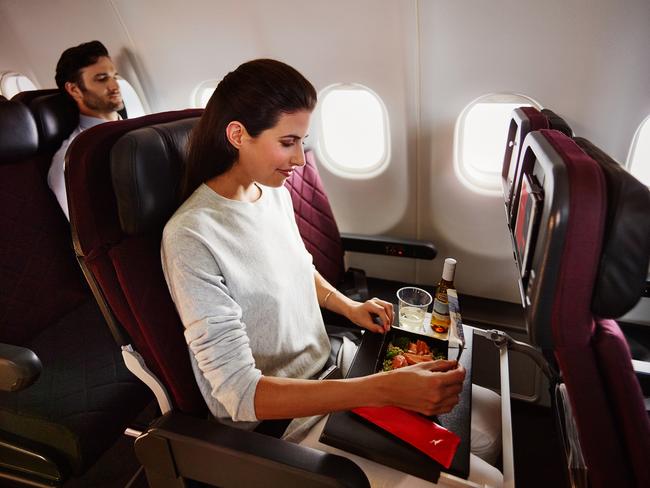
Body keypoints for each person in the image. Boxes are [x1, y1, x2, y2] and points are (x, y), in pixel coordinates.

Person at [161, 59, 502, 487]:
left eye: (303, 141)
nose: (301, 160)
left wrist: (348, 306)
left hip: (334, 371)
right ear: (237, 135)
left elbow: (298, 266)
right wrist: (384, 389)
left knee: (489, 417)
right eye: (288, 142)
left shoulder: (268, 193)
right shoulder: (191, 237)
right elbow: (240, 393)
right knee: (488, 482)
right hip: (281, 426)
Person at [49, 40, 123, 219]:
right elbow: (88, 236)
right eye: (102, 79)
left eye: (115, 76)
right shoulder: (71, 160)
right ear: (74, 90)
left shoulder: (143, 130)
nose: (115, 86)